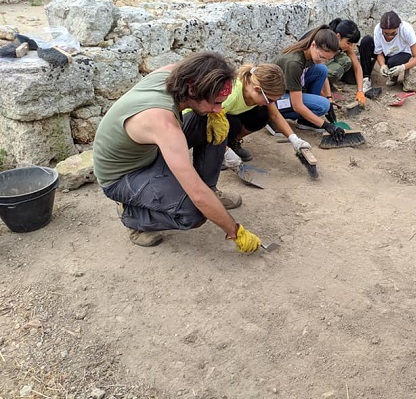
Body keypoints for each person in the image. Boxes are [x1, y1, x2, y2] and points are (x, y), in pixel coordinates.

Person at [93, 51, 261, 252]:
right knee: (195, 212)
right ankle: (132, 215)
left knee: (214, 121)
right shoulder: (163, 123)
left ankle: (212, 191)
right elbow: (197, 195)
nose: (219, 108)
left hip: (148, 152)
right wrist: (235, 231)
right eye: (215, 102)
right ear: (193, 91)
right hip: (122, 177)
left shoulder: (178, 74)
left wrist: (214, 109)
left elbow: (204, 74)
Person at [223, 63, 312, 162]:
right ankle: (217, 151)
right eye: (269, 100)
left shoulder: (259, 91)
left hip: (234, 113)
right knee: (233, 125)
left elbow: (275, 115)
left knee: (263, 115)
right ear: (257, 90)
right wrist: (225, 151)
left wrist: (294, 139)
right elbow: (210, 123)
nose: (271, 103)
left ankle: (231, 142)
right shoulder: (231, 96)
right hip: (215, 117)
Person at [272, 25, 345, 141]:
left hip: (285, 92)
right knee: (322, 105)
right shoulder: (294, 63)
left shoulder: (309, 53)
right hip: (271, 100)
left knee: (322, 70)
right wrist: (325, 125)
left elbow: (323, 74)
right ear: (314, 45)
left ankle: (306, 121)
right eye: (322, 57)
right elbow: (297, 106)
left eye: (327, 59)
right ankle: (272, 118)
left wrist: (330, 99)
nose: (324, 61)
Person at [303, 19, 367, 106]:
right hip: (306, 72)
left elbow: (357, 67)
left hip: (319, 67)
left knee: (346, 60)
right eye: (348, 43)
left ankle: (328, 87)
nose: (350, 47)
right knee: (336, 70)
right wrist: (327, 96)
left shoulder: (338, 40)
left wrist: (360, 91)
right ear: (338, 36)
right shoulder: (324, 42)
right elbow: (321, 69)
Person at [359, 10, 416, 87]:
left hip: (401, 53)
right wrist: (382, 65)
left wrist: (402, 67)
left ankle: (393, 75)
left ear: (399, 27)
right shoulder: (378, 30)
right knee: (366, 41)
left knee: (393, 62)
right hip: (386, 54)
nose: (389, 36)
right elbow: (379, 52)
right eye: (386, 34)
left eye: (393, 33)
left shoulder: (406, 29)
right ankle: (366, 78)